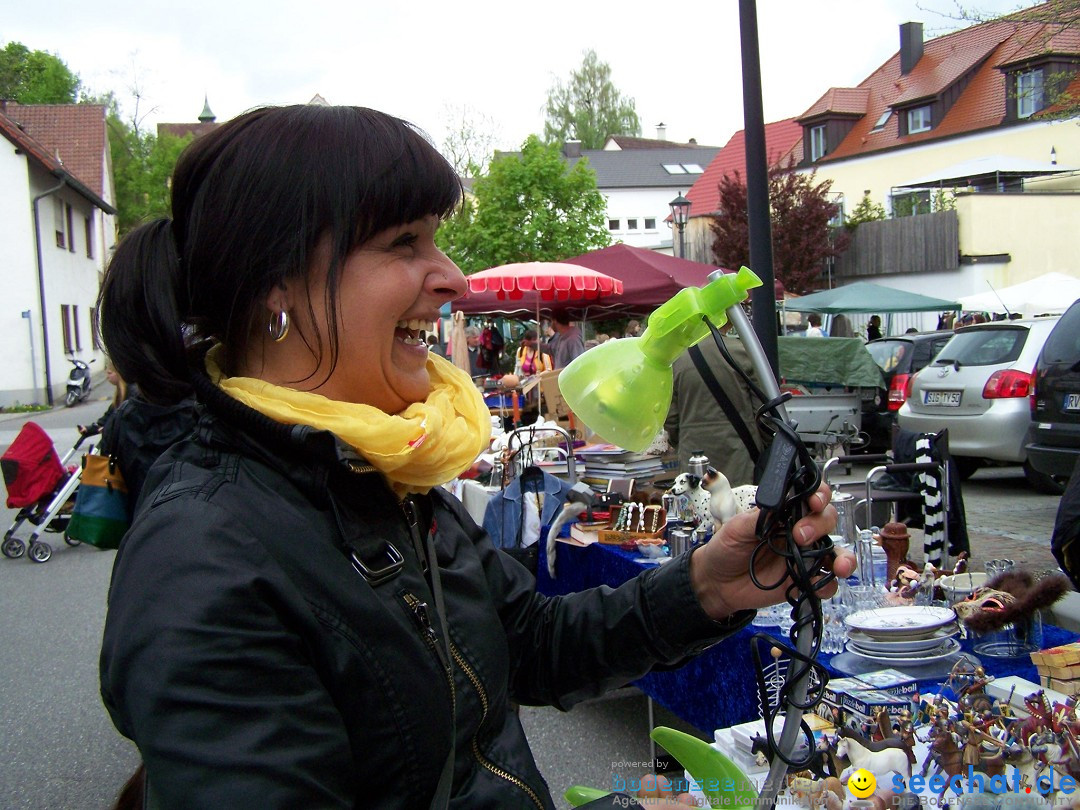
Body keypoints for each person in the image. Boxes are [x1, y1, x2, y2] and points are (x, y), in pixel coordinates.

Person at [95, 104, 849, 809]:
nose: (452, 276)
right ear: (274, 287)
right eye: (403, 244)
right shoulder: (202, 558)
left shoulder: (383, 471)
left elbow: (530, 645)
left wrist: (709, 586)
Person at [664, 330, 766, 487]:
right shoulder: (743, 351)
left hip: (693, 451)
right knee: (740, 506)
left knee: (698, 505)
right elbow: (763, 412)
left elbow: (670, 418)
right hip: (739, 453)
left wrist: (681, 442)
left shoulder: (676, 359)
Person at [77, 359, 130, 439]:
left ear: (118, 374)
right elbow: (108, 416)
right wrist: (90, 429)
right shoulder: (119, 393)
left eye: (109, 373)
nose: (107, 376)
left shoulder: (130, 392)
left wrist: (109, 428)